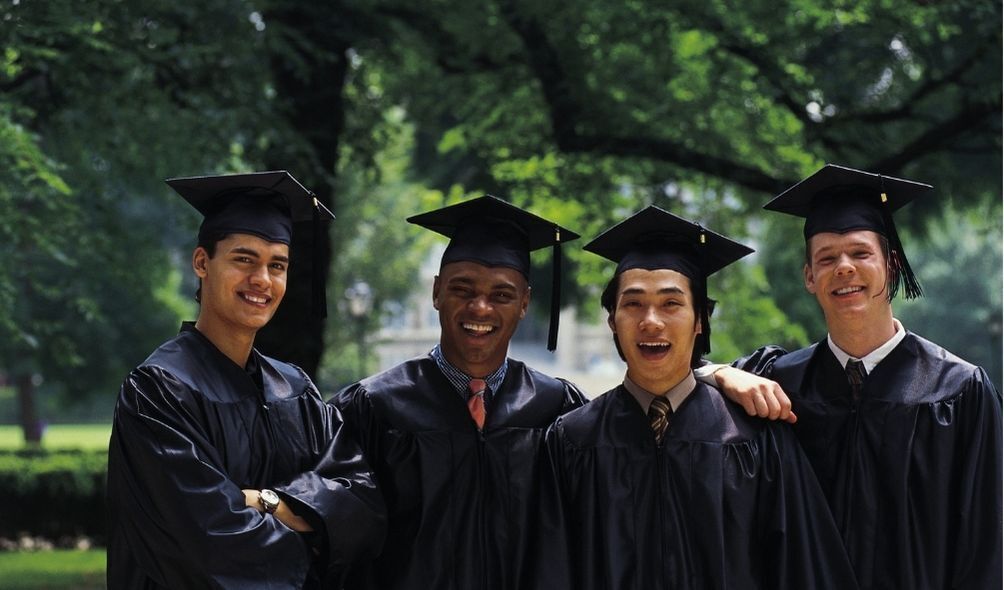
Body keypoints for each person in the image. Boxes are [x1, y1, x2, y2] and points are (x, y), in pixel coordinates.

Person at [534, 206, 858, 589]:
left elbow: (801, 569)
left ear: (700, 319)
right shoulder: (571, 442)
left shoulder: (757, 439)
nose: (651, 321)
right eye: (633, 304)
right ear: (612, 323)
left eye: (671, 304)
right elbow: (551, 570)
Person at [713, 164, 1003, 589]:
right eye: (827, 258)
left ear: (892, 264)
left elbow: (985, 547)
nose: (844, 267)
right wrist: (719, 373)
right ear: (809, 277)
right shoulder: (781, 383)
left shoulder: (959, 390)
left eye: (860, 253)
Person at [106, 171, 385, 589]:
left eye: (277, 265)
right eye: (244, 259)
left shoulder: (297, 390)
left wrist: (264, 502)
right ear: (202, 262)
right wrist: (313, 527)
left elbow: (361, 506)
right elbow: (207, 545)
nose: (262, 280)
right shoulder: (158, 392)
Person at [300, 195, 586, 590]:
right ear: (436, 293)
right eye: (462, 289)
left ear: (524, 303)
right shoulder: (374, 407)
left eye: (501, 295)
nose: (480, 308)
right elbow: (335, 527)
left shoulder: (558, 410)